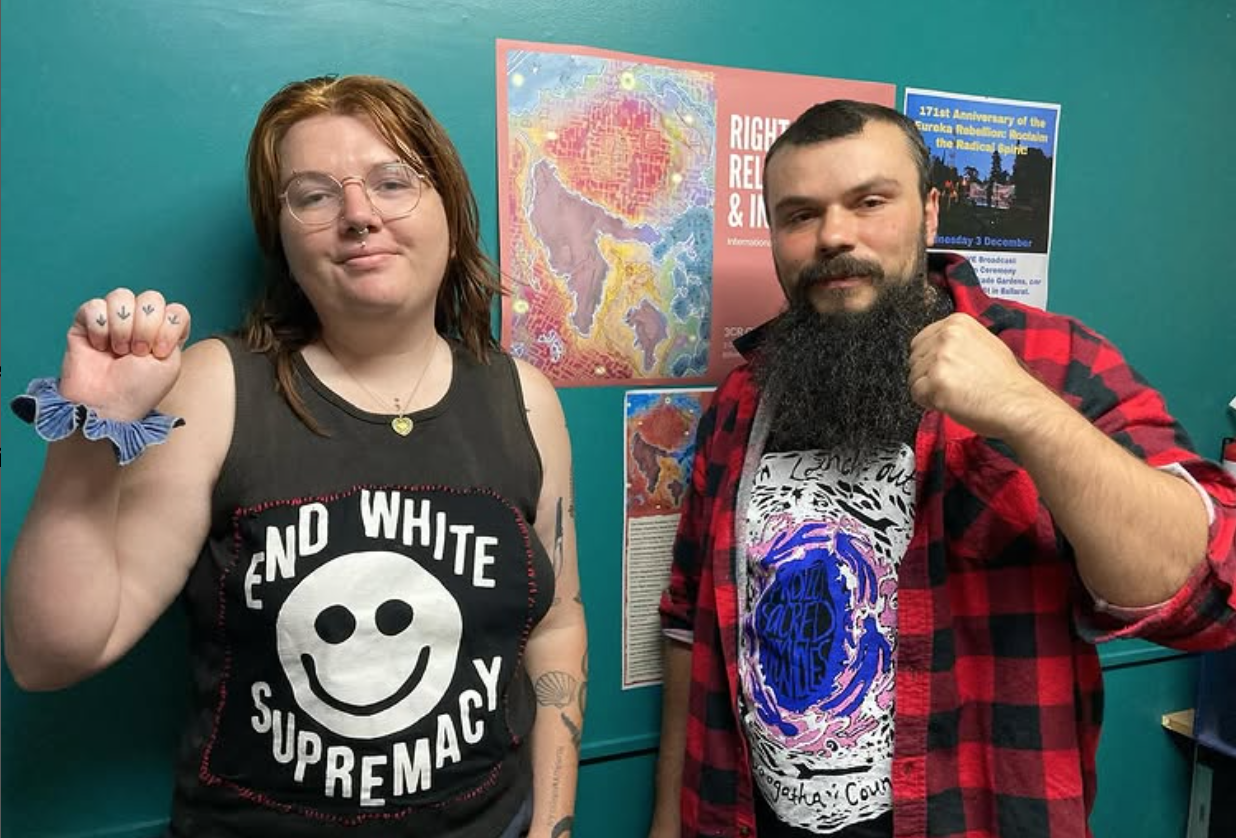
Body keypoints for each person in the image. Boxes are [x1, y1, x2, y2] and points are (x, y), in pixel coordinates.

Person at [4, 74, 587, 838]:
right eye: (313, 195)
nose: (358, 215)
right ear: (279, 236)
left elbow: (556, 621)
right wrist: (90, 430)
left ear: (450, 205)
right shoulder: (217, 390)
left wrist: (553, 824)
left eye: (392, 181)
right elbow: (51, 655)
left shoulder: (526, 399)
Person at [649, 100, 1236, 838]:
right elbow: (686, 620)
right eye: (800, 215)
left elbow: (1209, 589)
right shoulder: (745, 396)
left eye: (869, 202)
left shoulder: (1053, 361)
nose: (834, 235)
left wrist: (1027, 411)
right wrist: (669, 818)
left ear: (929, 210)